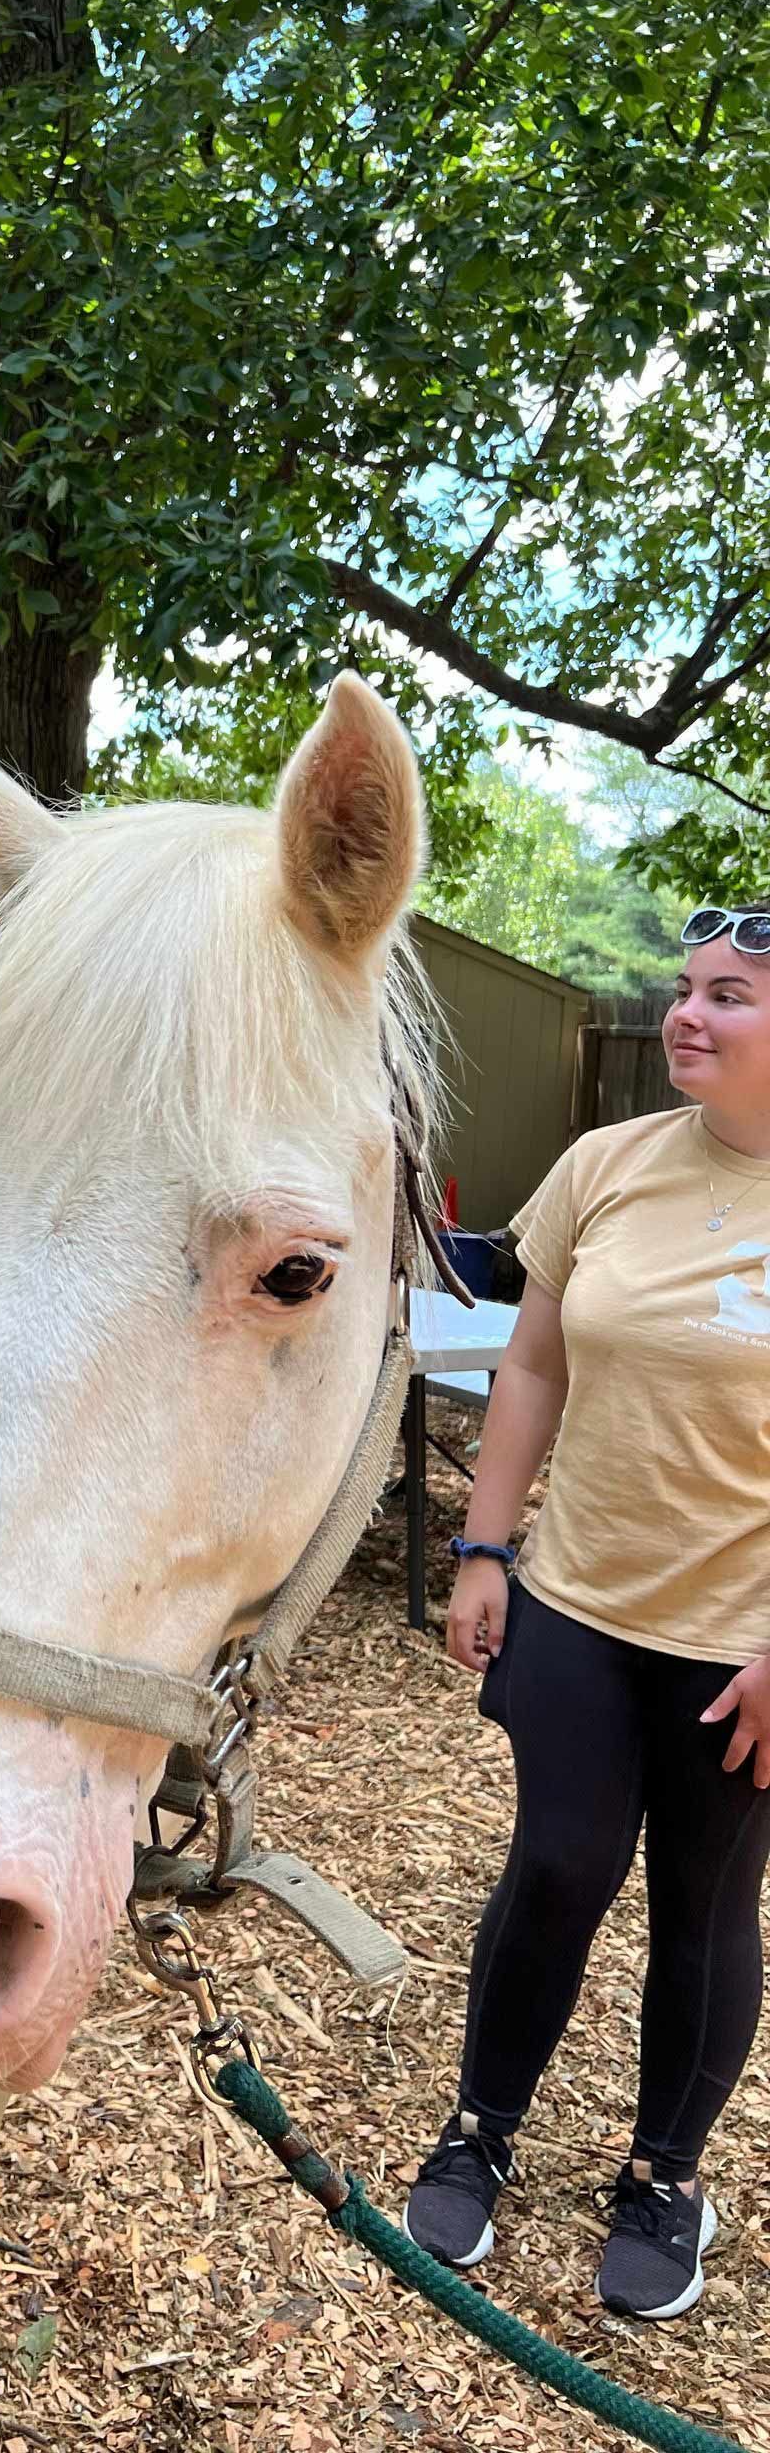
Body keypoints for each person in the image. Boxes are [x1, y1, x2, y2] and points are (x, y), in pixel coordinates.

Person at [402, 903, 770, 2320]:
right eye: (687, 991)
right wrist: (487, 1545)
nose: (687, 1015)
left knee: (706, 1900)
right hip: (581, 1602)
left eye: (727, 997)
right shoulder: (605, 1166)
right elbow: (535, 1369)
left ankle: (667, 2174)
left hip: (738, 1642)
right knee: (556, 1864)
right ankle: (483, 2128)